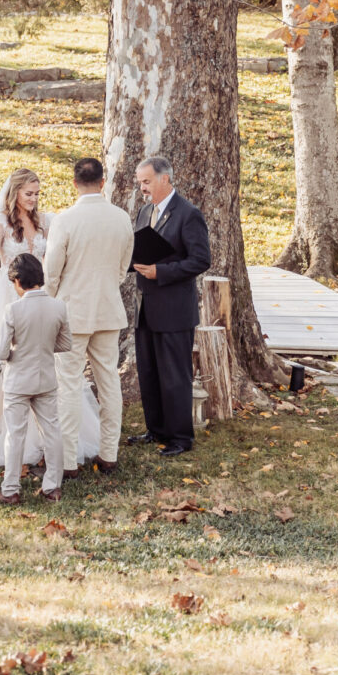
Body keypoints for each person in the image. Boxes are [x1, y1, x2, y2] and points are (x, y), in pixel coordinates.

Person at [0, 170, 99, 466]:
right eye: (28, 194)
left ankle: (51, 434)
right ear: (14, 193)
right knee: (11, 358)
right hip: (7, 292)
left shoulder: (45, 221)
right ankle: (6, 433)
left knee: (45, 359)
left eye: (36, 194)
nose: (33, 199)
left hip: (39, 293)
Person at [45, 157, 136, 477]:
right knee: (109, 380)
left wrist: (52, 299)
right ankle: (108, 453)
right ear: (103, 181)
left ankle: (68, 460)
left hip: (72, 312)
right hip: (108, 310)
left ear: (74, 183)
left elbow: (51, 271)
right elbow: (123, 268)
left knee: (68, 384)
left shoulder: (65, 220)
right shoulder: (122, 218)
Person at [128, 156, 211, 458]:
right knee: (149, 372)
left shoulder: (188, 214)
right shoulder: (144, 211)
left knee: (175, 375)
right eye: (140, 183)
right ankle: (156, 429)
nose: (143, 189)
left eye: (146, 182)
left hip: (175, 309)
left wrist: (161, 272)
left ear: (165, 179)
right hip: (146, 307)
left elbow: (201, 260)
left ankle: (180, 437)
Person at [0, 254, 72, 505]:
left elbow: (2, 352)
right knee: (52, 431)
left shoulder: (13, 309)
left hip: (18, 381)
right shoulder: (58, 306)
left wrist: (18, 351)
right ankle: (53, 486)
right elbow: (66, 343)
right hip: (46, 377)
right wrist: (43, 348)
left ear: (17, 282)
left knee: (15, 435)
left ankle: (11, 489)